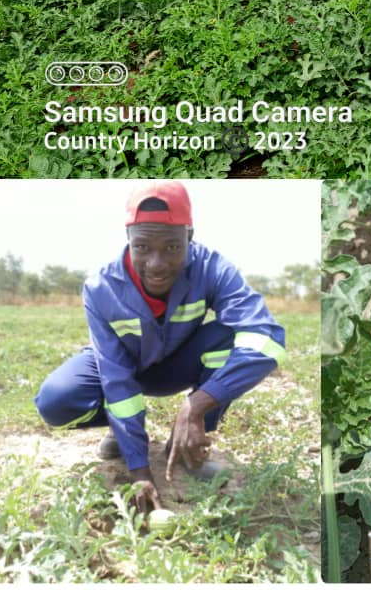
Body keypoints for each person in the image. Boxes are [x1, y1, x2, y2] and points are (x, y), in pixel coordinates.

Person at [34, 181, 286, 512]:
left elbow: (268, 339)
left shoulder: (212, 268)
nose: (156, 263)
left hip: (175, 365)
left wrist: (195, 405)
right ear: (128, 240)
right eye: (142, 247)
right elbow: (116, 378)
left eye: (171, 247)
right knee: (55, 401)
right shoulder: (101, 287)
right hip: (121, 366)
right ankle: (122, 435)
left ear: (189, 237)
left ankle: (184, 448)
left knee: (230, 335)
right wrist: (139, 471)